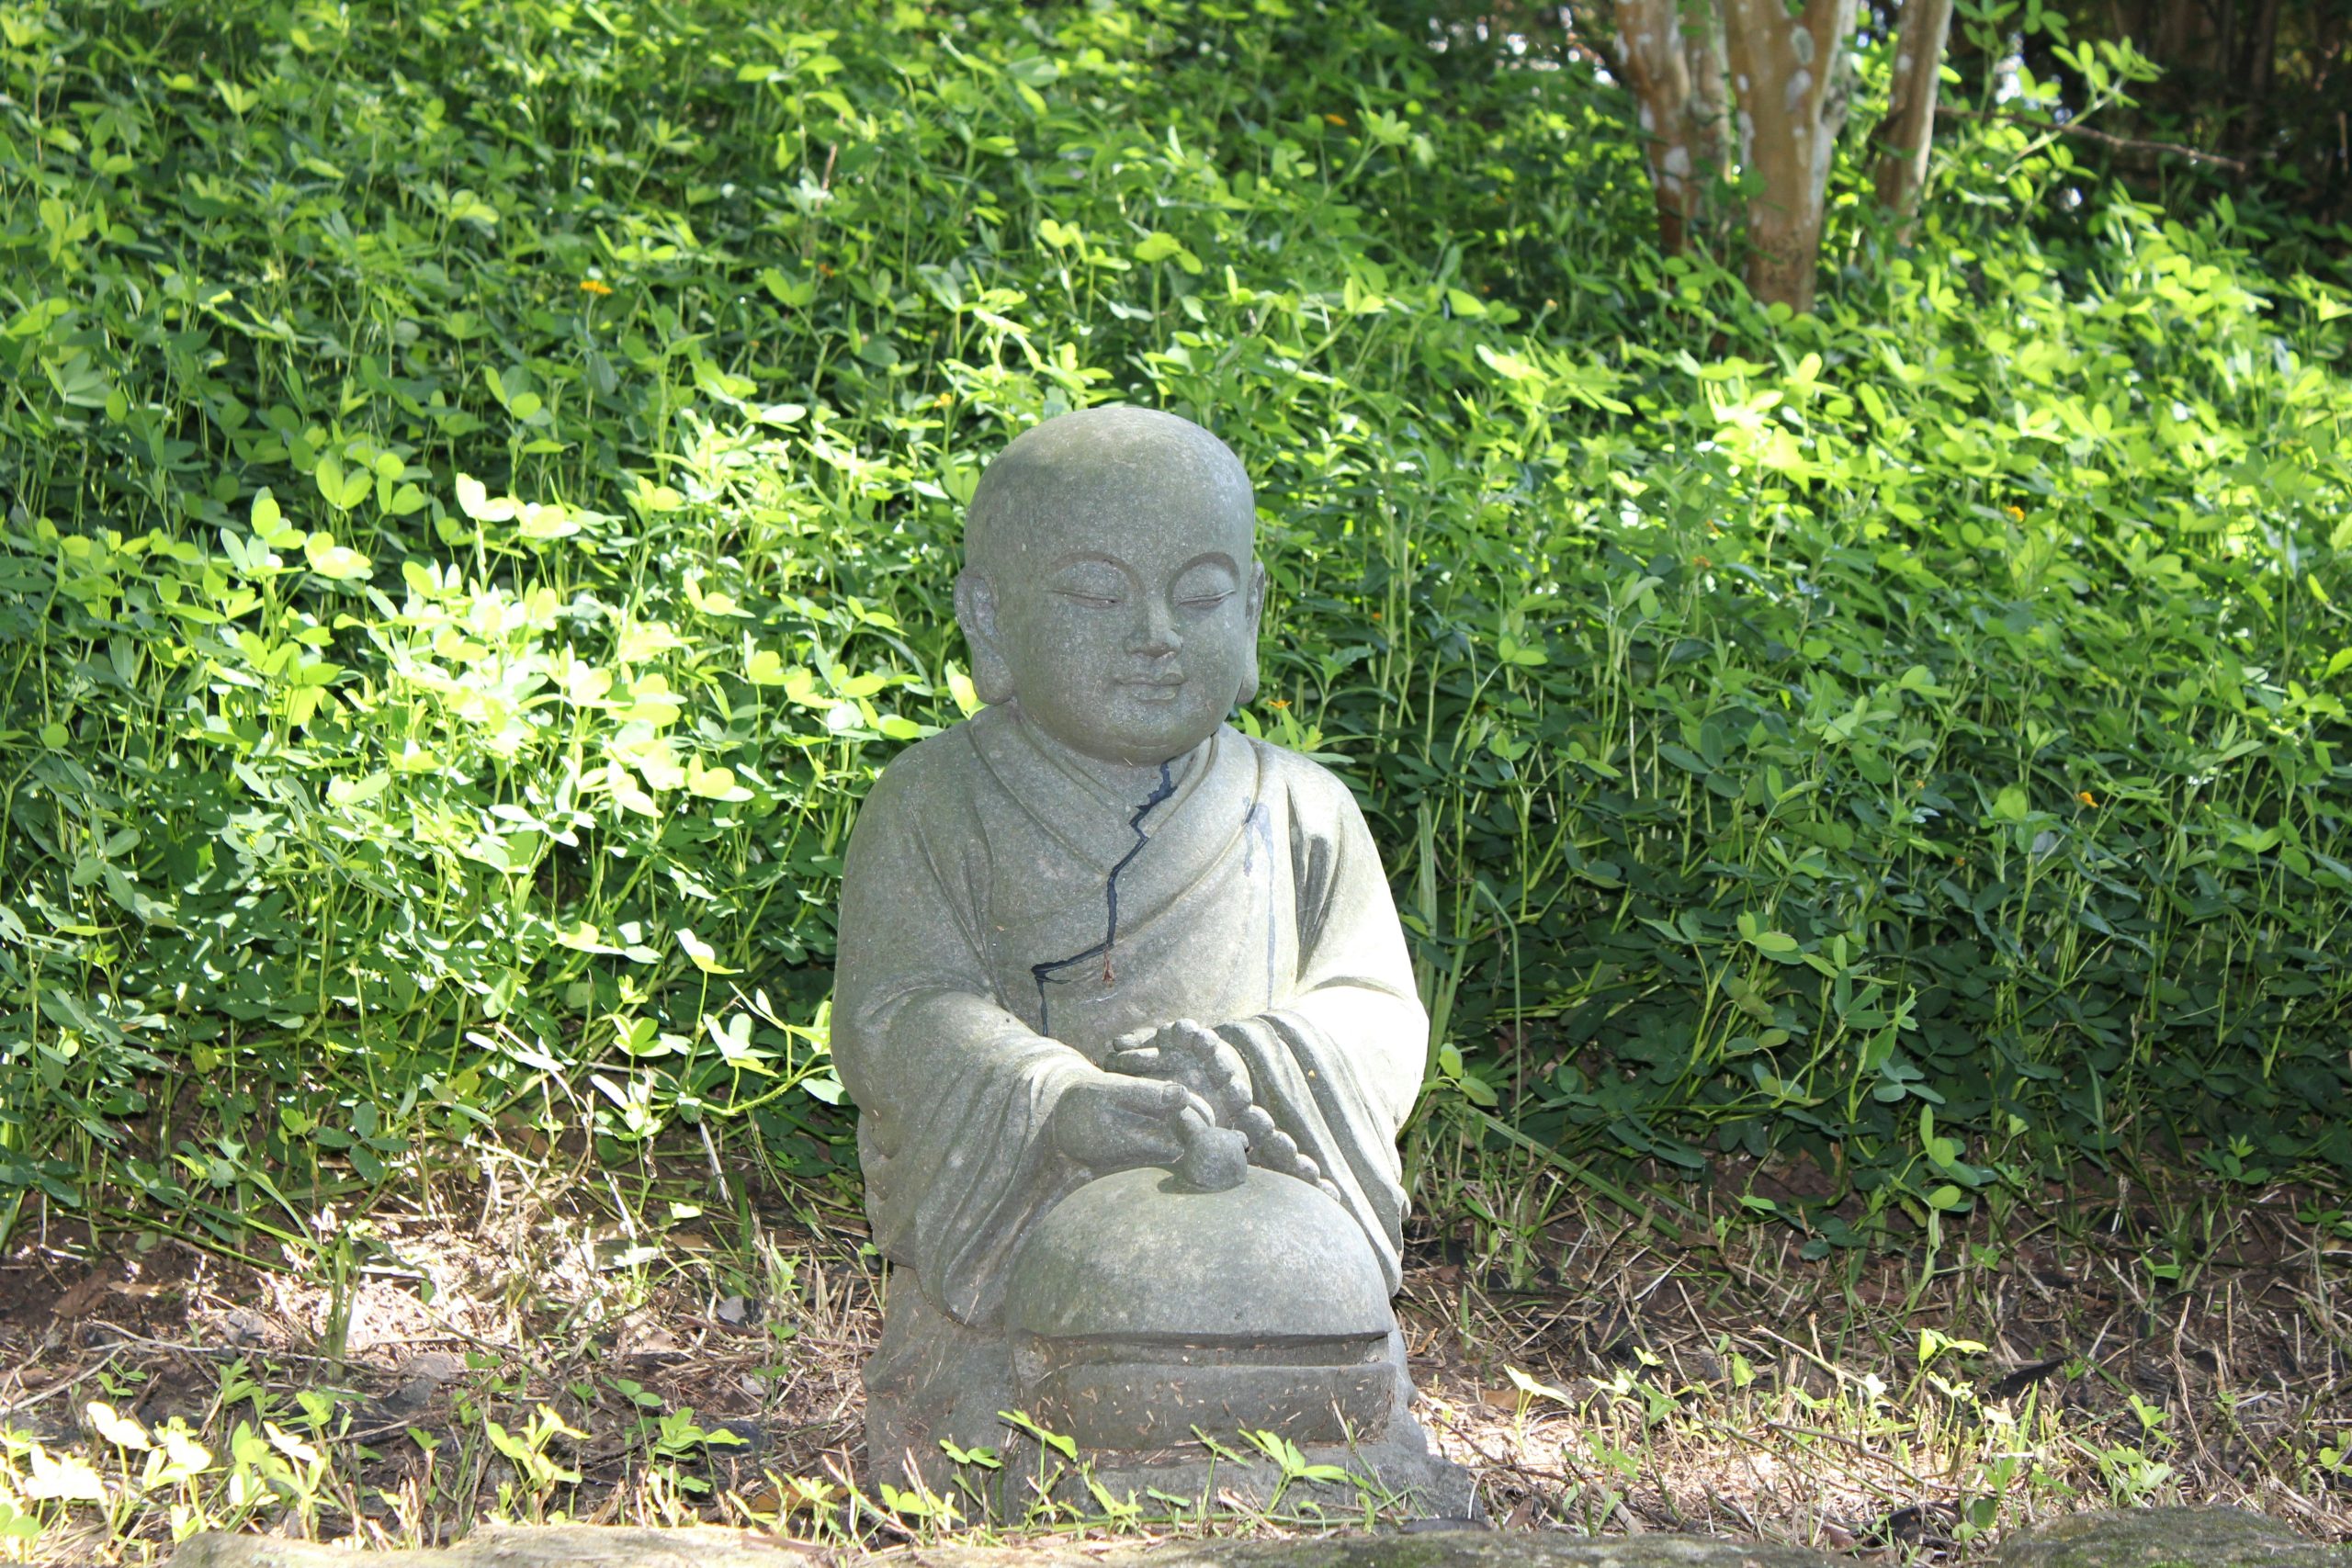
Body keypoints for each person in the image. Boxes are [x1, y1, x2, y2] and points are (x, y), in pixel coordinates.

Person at [832, 405, 1430, 1487]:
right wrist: (1056, 1101)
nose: (1155, 633)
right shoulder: (932, 801)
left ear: (1250, 612)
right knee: (1089, 1298)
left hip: (1252, 1188)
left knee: (1300, 1298)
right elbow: (897, 1014)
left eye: (1197, 596)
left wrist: (1258, 1063)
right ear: (990, 616)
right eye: (1098, 595)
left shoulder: (1303, 806)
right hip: (1034, 1215)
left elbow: (1374, 1008)